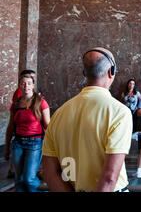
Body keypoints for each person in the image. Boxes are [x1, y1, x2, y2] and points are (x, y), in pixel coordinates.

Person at [42, 47, 132, 192]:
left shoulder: (59, 113)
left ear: (84, 73)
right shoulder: (119, 112)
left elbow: (50, 173)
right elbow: (109, 178)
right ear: (111, 72)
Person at [3, 73, 51, 192]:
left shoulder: (41, 103)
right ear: (19, 85)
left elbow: (48, 126)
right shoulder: (16, 104)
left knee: (29, 179)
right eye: (23, 83)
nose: (26, 86)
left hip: (35, 144)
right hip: (18, 143)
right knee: (19, 179)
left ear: (33, 85)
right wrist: (7, 147)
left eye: (29, 83)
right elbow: (10, 127)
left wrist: (52, 148)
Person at [6, 69, 37, 179]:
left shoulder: (34, 97)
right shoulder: (20, 93)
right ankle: (12, 169)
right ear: (20, 83)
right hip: (21, 129)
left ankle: (14, 170)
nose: (27, 85)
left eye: (32, 79)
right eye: (25, 82)